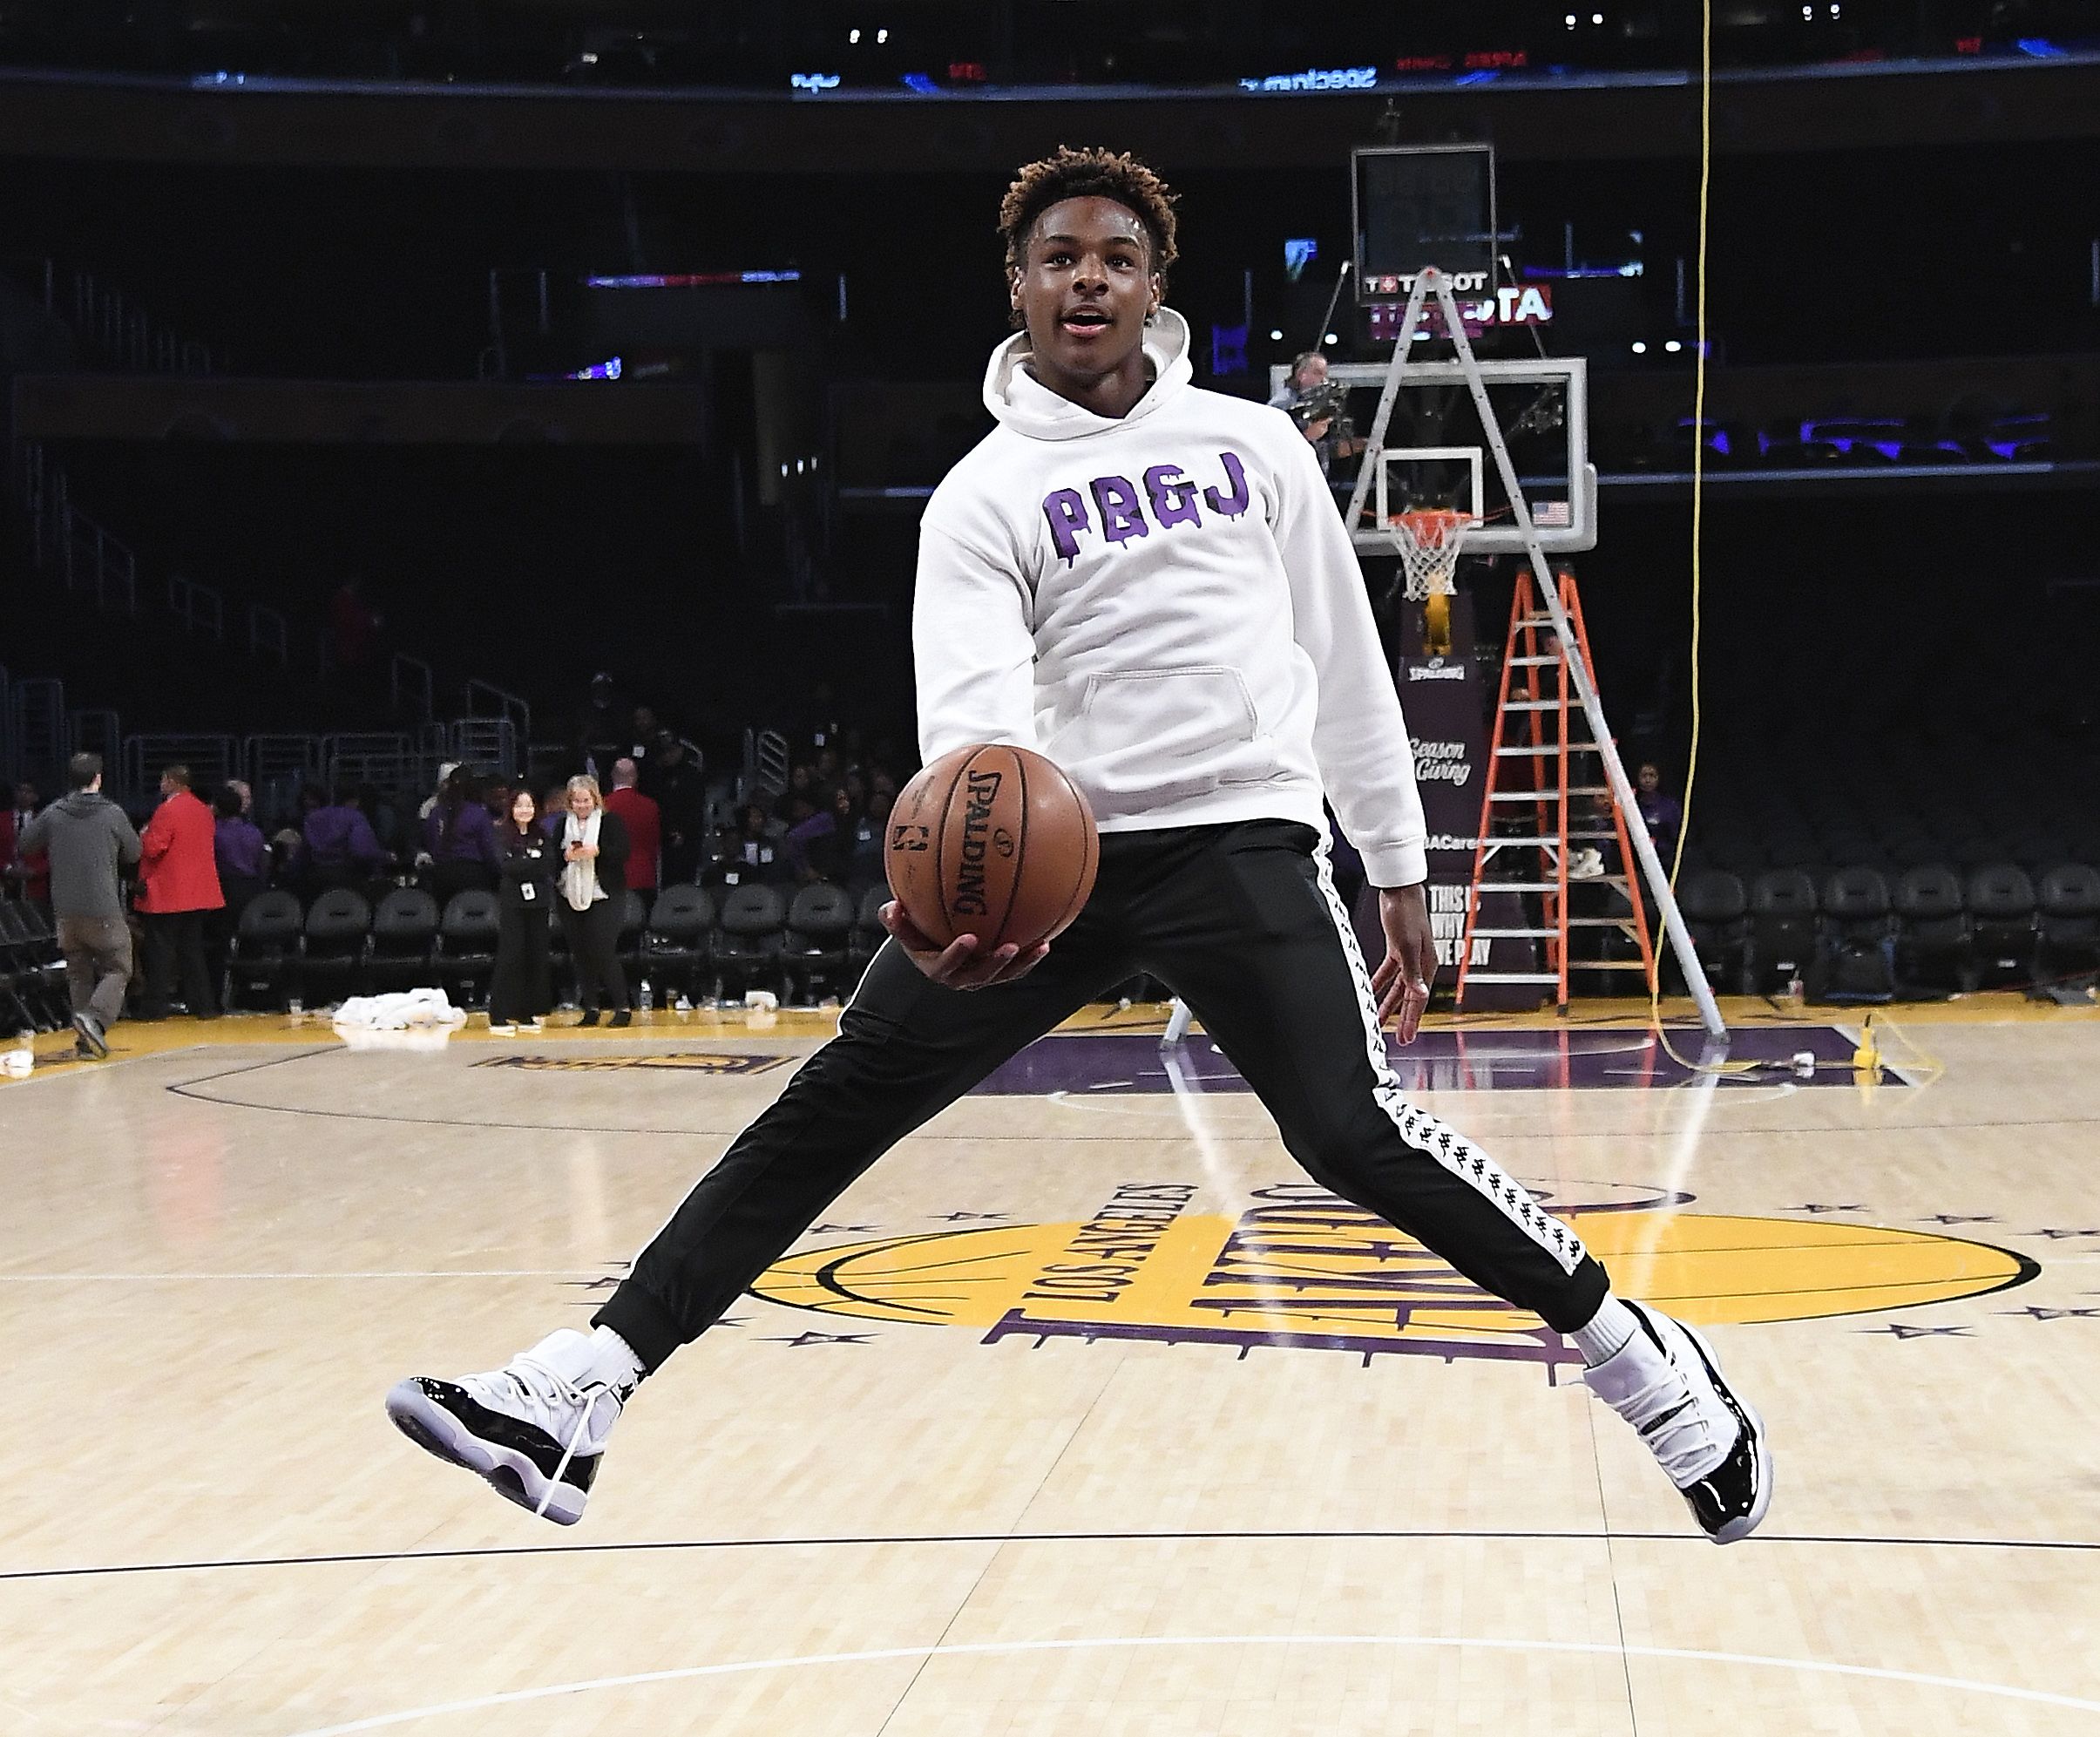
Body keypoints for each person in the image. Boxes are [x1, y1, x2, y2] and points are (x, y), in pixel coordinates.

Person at [386, 146, 1769, 1549]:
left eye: (1113, 257)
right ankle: (587, 1384)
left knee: (1351, 1132)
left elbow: (1346, 660)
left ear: (1153, 287)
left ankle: (1642, 1362)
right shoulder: (980, 498)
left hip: (1240, 838)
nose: (1085, 279)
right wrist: (954, 888)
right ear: (1019, 287)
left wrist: (1398, 860)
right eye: (1058, 258)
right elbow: (974, 734)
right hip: (1057, 862)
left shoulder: (1255, 445)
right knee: (843, 1095)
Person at [15, 753, 139, 1058]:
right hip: (102, 907)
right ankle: (95, 1019)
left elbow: (25, 845)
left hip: (65, 911)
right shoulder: (112, 813)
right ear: (98, 777)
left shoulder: (55, 812)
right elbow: (134, 853)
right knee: (119, 966)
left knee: (78, 973)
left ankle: (86, 1042)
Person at [136, 763, 222, 1021]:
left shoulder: (167, 810)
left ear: (173, 781)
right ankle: (203, 1005)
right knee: (192, 951)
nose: (161, 784)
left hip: (169, 892)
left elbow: (154, 848)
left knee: (160, 952)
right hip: (199, 892)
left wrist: (144, 834)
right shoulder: (204, 811)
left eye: (164, 779)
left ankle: (155, 1007)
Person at [552, 774, 632, 1028]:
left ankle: (623, 1006)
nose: (582, 806)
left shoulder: (611, 822)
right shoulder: (562, 824)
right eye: (577, 801)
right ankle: (591, 1007)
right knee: (580, 953)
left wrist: (598, 852)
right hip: (570, 893)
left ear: (595, 799)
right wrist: (566, 856)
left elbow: (623, 853)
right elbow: (553, 858)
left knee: (602, 950)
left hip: (604, 893)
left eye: (586, 800)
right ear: (570, 802)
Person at [488, 789, 558, 1035]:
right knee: (511, 955)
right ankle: (498, 1014)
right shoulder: (501, 834)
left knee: (535, 955)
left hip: (538, 903)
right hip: (513, 903)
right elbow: (506, 866)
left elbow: (549, 864)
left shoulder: (542, 834)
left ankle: (526, 1012)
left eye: (529, 805)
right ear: (511, 808)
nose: (524, 810)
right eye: (519, 805)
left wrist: (527, 863)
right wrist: (531, 862)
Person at [210, 785, 272, 998]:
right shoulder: (254, 833)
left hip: (224, 889)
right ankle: (249, 991)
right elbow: (262, 864)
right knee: (250, 942)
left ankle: (220, 993)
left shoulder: (214, 832)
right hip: (252, 890)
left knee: (221, 944)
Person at [1267, 349, 1363, 480]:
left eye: (1325, 374)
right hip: (1291, 482)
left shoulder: (1317, 405)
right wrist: (1306, 436)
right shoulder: (1282, 404)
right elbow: (1273, 448)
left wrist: (1359, 446)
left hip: (1315, 483)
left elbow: (1325, 448)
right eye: (1318, 373)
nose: (1323, 380)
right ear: (1301, 374)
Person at [422, 769, 501, 908]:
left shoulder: (436, 813)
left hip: (441, 876)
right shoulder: (479, 814)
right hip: (473, 877)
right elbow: (489, 853)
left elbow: (432, 846)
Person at [301, 785, 390, 895]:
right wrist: (386, 856)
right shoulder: (355, 817)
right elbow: (362, 852)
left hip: (315, 876)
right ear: (356, 801)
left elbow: (304, 851)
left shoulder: (312, 817)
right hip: (347, 876)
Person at [648, 730, 708, 885]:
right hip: (662, 837)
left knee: (685, 880)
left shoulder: (692, 775)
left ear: (680, 750)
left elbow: (695, 809)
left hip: (687, 838)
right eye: (664, 752)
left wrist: (682, 830)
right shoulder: (656, 776)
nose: (668, 756)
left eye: (671, 750)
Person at [602, 758, 661, 902]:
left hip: (613, 879)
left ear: (613, 776)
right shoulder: (650, 806)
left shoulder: (603, 806)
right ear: (635, 777)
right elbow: (655, 845)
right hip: (644, 876)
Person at [2, 777, 50, 912]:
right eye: (20, 790)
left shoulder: (44, 822)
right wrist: (8, 869)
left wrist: (35, 871)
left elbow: (51, 855)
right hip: (6, 883)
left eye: (28, 791)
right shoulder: (2, 819)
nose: (23, 794)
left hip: (35, 885)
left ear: (35, 797)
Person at [1636, 761, 1683, 862]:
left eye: (1652, 776)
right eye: (1644, 776)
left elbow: (1677, 836)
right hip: (1638, 859)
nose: (1648, 780)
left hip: (1666, 858)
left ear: (1658, 778)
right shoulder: (1632, 806)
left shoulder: (1670, 806)